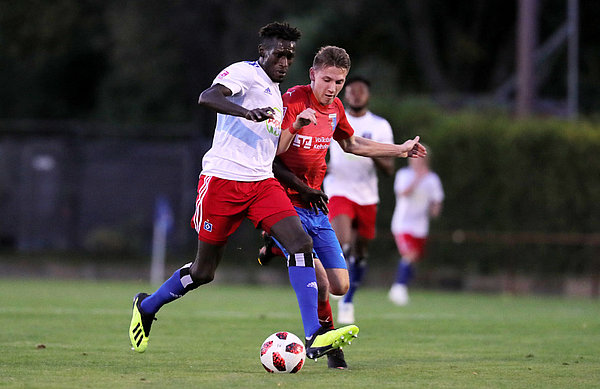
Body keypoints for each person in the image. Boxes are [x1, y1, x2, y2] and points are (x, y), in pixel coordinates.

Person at [128, 22, 359, 361]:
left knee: (301, 244)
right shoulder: (243, 74)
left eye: (289, 57)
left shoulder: (277, 94)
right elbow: (207, 97)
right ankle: (146, 306)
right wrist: (245, 111)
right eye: (279, 54)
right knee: (203, 272)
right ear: (263, 52)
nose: (284, 62)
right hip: (222, 182)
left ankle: (314, 335)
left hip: (263, 183)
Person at [257, 46, 427, 368]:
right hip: (282, 202)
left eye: (338, 81)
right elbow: (271, 156)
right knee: (318, 279)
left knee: (340, 285)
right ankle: (328, 346)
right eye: (327, 80)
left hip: (315, 204)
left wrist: (401, 150)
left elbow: (352, 144)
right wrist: (295, 130)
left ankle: (278, 250)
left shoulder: (335, 109)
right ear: (312, 75)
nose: (332, 88)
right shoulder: (292, 101)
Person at [322, 76, 395, 325]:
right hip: (339, 189)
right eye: (351, 91)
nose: (355, 95)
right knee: (343, 243)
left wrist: (371, 152)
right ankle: (334, 285)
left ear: (368, 95)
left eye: (360, 91)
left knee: (360, 252)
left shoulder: (380, 126)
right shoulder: (334, 118)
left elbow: (389, 168)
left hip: (367, 194)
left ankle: (348, 300)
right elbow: (319, 146)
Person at [388, 151, 444, 305]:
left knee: (413, 259)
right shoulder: (403, 175)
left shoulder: (432, 179)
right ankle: (398, 288)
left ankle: (402, 285)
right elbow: (403, 193)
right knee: (409, 254)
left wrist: (435, 209)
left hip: (421, 226)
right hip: (403, 223)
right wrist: (418, 178)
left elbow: (436, 200)